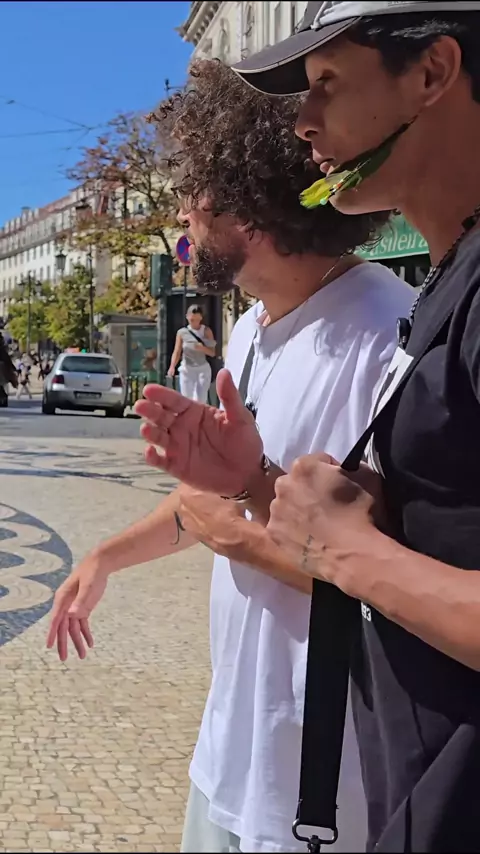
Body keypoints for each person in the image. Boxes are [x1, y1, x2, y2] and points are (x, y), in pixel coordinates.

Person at [133, 3, 480, 852]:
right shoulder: (446, 288)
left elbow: (360, 556)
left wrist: (344, 552)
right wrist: (258, 484)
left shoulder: (407, 309)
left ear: (433, 72)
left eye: (327, 82)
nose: (302, 122)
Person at [47, 60, 413, 853]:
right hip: (229, 761)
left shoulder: (390, 338)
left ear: (243, 203)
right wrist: (107, 556)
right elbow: (213, 503)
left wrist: (238, 528)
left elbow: (399, 588)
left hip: (325, 793)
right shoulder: (249, 330)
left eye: (192, 192)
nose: (181, 213)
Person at [168, 305, 216, 403]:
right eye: (192, 320)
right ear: (187, 317)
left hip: (202, 369)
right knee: (187, 398)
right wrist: (172, 366)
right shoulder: (182, 333)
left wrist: (202, 348)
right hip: (187, 369)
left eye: (197, 320)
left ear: (201, 318)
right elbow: (177, 351)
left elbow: (212, 353)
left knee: (200, 399)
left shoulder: (206, 331)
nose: (194, 322)